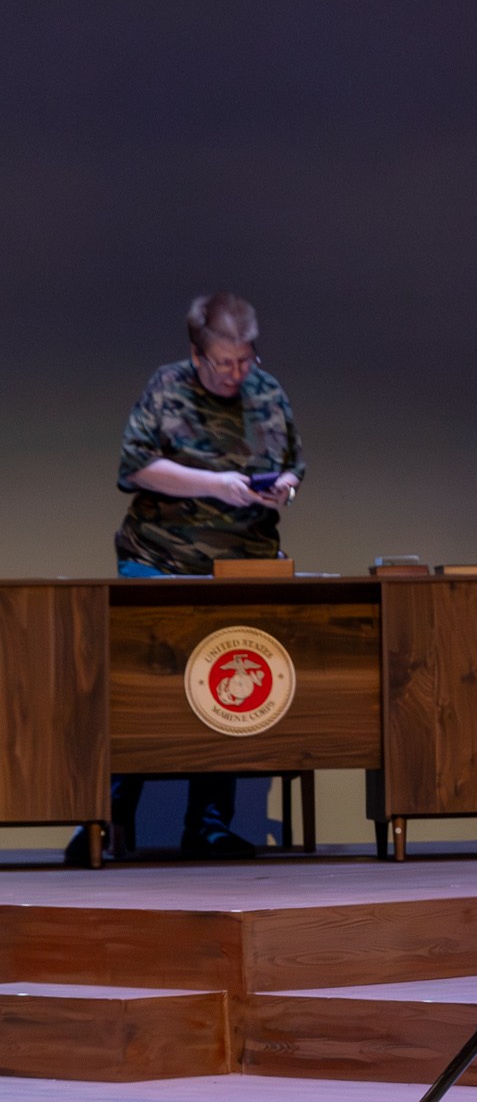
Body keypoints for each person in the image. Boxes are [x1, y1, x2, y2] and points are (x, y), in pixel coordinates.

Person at [106, 292, 304, 859]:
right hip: (160, 560)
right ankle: (112, 816)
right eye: (223, 363)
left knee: (227, 687)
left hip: (242, 566)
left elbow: (293, 463)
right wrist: (216, 483)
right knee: (147, 689)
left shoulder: (267, 392)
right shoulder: (167, 388)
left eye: (244, 361)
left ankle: (209, 821)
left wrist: (283, 487)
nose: (235, 373)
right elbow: (137, 467)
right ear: (197, 355)